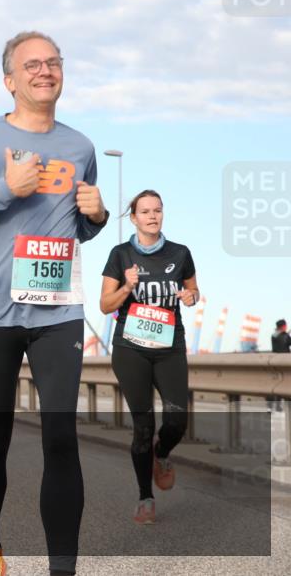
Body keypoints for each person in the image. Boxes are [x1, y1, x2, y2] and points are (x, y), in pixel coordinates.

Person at [0, 31, 108, 576]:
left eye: (53, 62)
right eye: (31, 64)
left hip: (58, 314)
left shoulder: (80, 148)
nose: (45, 71)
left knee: (61, 437)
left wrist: (97, 217)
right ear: (9, 80)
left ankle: (63, 570)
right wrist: (4, 189)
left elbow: (78, 228)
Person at [100, 189, 198, 525]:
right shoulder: (120, 255)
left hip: (169, 348)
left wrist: (190, 297)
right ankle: (145, 497)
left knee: (176, 420)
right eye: (145, 211)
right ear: (134, 217)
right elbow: (105, 305)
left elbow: (194, 290)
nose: (152, 216)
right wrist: (126, 288)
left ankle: (163, 454)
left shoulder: (180, 253)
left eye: (158, 210)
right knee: (144, 426)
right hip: (131, 350)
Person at [269, 319, 290, 412]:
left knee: (274, 384)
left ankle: (270, 406)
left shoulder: (273, 335)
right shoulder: (285, 335)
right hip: (284, 362)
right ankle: (280, 406)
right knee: (284, 383)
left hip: (274, 361)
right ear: (284, 326)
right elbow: (288, 343)